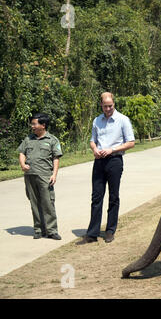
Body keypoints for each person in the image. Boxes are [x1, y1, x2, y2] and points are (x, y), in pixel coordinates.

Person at [76, 92, 135, 245]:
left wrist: (112, 150)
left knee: (113, 196)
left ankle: (110, 230)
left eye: (111, 106)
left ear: (113, 104)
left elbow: (131, 143)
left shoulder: (122, 120)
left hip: (115, 160)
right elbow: (92, 140)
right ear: (101, 105)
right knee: (96, 197)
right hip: (99, 161)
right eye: (105, 106)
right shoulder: (97, 120)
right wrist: (94, 149)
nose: (108, 109)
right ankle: (92, 233)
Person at [17, 113, 63, 240]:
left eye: (34, 124)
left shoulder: (52, 140)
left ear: (43, 125)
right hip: (30, 176)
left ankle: (52, 230)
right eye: (32, 124)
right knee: (34, 203)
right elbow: (22, 153)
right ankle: (38, 229)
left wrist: (54, 174)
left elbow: (56, 158)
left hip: (45, 176)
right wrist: (22, 164)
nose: (32, 126)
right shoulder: (28, 139)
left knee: (48, 203)